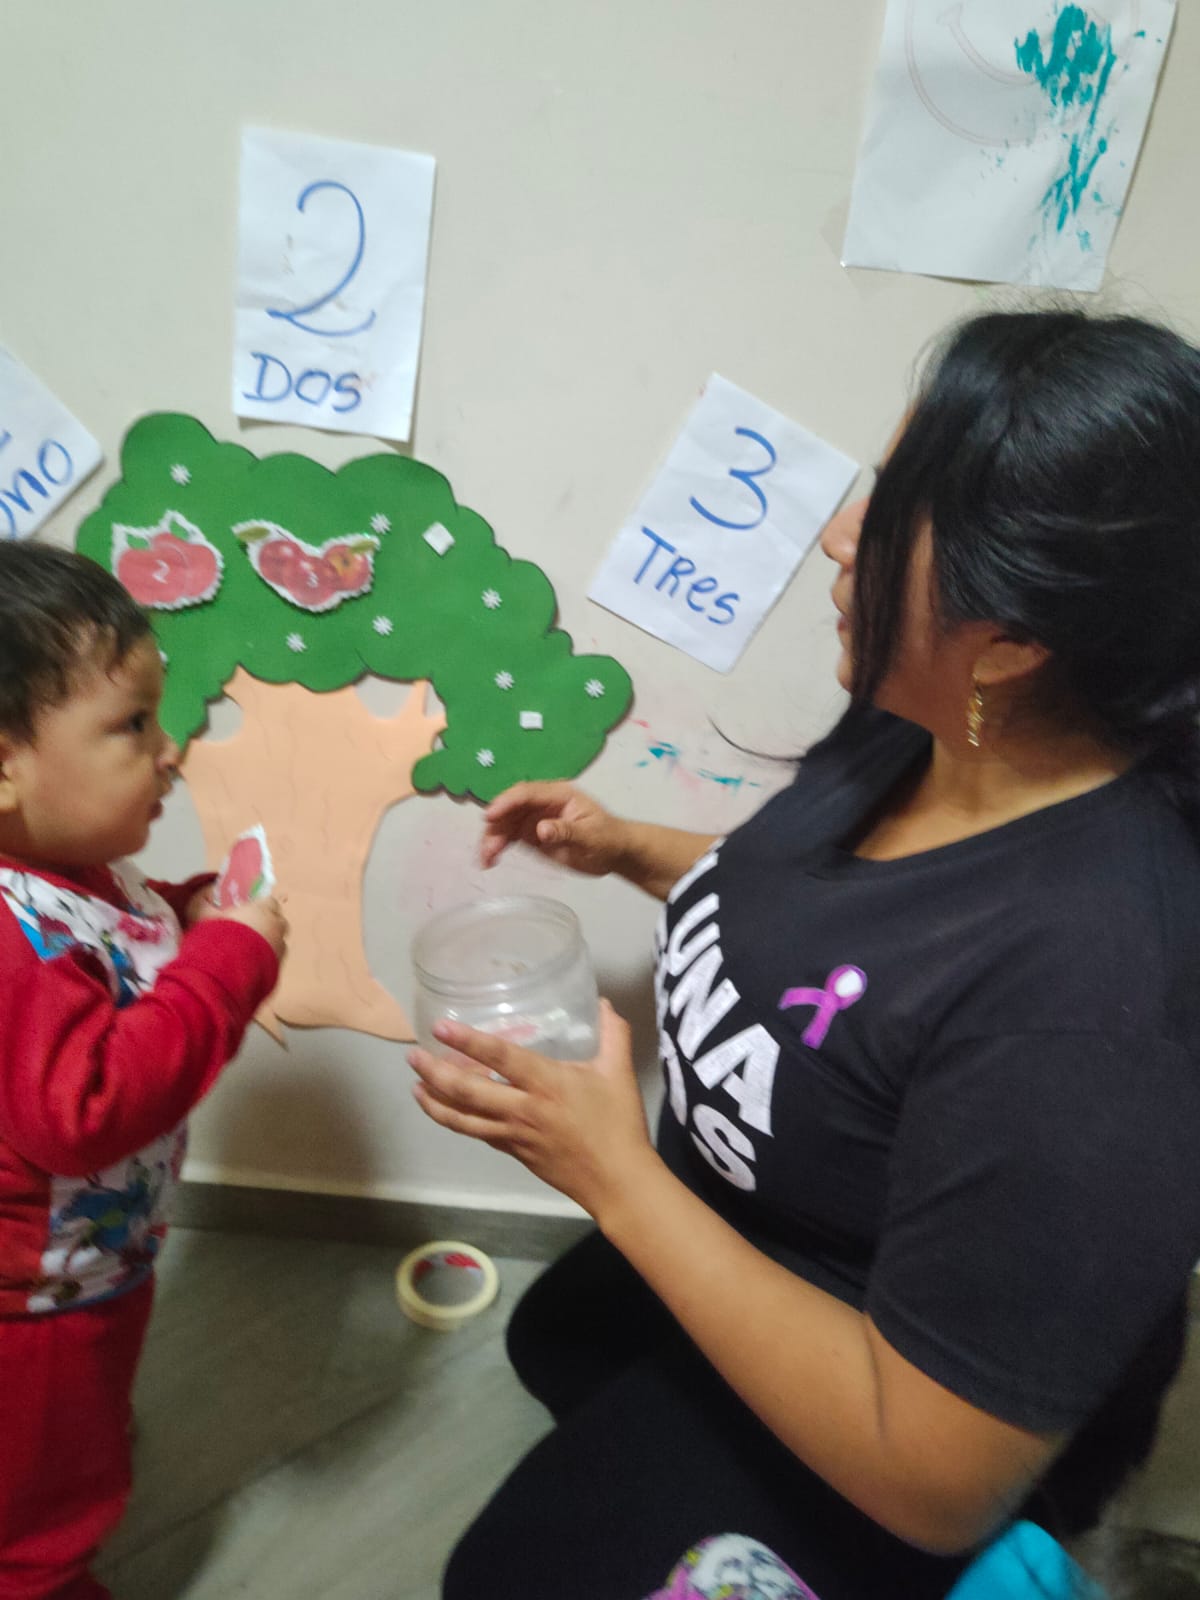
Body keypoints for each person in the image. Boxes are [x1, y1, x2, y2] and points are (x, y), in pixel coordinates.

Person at [408, 308, 1200, 1600]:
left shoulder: (1094, 1008)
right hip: (751, 1231)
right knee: (561, 1338)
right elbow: (853, 936)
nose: (840, 533)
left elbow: (933, 1476)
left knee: (501, 1577)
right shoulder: (940, 729)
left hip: (893, 1400)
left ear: (1013, 640)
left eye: (893, 512)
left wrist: (614, 1173)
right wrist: (636, 849)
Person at [0, 542, 288, 1600]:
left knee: (74, 1428)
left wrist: (186, 912)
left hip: (92, 1265)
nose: (169, 752)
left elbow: (107, 936)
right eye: (130, 725)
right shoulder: (5, 944)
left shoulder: (64, 865)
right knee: (35, 1513)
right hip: (29, 1310)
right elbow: (89, 1109)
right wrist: (229, 962)